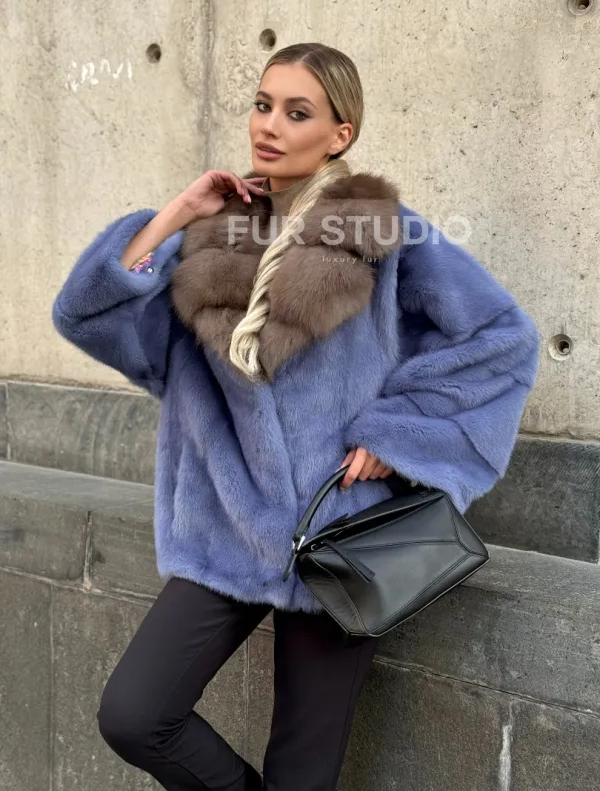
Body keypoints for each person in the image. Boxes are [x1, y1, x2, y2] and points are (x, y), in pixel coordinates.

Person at [52, 42, 540, 791]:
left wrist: (397, 434)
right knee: (136, 714)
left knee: (303, 771)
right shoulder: (213, 234)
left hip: (342, 530)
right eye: (262, 104)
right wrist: (179, 212)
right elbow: (89, 317)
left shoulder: (384, 233)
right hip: (227, 521)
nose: (269, 125)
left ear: (339, 134)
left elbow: (499, 339)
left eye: (297, 112)